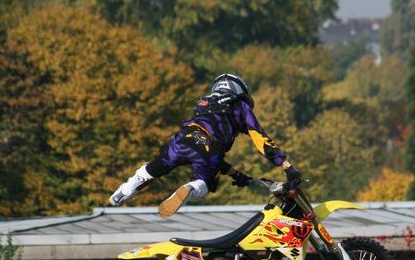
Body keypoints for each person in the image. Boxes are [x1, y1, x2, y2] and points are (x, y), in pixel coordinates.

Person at [109, 73, 302, 217]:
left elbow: (199, 144)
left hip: (182, 138)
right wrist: (287, 166)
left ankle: (124, 191)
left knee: (154, 168)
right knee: (204, 184)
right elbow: (260, 139)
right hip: (210, 149)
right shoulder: (239, 105)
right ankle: (190, 189)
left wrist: (236, 174)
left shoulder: (204, 102)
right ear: (240, 91)